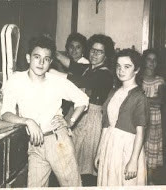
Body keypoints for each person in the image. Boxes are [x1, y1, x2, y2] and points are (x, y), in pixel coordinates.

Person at [1, 35, 89, 187]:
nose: (41, 63)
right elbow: (5, 113)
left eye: (46, 59)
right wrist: (27, 121)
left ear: (51, 62)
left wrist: (70, 122)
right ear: (28, 58)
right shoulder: (15, 81)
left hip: (58, 142)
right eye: (37, 57)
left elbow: (83, 99)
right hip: (35, 144)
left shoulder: (57, 82)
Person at [59, 34, 114, 185]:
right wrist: (51, 52)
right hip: (78, 114)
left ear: (106, 55)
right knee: (72, 162)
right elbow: (72, 65)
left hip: (92, 119)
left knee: (86, 167)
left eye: (99, 51)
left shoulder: (106, 74)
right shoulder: (88, 68)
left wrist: (50, 74)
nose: (94, 54)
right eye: (92, 50)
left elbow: (78, 81)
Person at [95, 49, 148, 186]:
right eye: (118, 66)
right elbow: (106, 126)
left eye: (127, 66)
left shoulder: (139, 96)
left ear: (136, 70)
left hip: (128, 148)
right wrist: (100, 151)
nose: (121, 70)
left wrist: (133, 161)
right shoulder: (113, 92)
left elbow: (141, 133)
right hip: (110, 145)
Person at [142, 49, 165, 185]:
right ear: (144, 61)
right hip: (140, 119)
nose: (152, 62)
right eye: (149, 59)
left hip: (154, 121)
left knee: (151, 152)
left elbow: (161, 101)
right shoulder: (138, 78)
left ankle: (149, 181)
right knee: (140, 149)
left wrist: (143, 99)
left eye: (154, 60)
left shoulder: (159, 80)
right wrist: (151, 100)